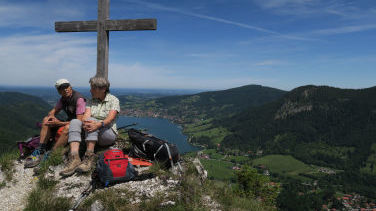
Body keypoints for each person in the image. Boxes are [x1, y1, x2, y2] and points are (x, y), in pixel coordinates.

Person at [60, 77, 120, 177]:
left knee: (93, 121)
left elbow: (110, 118)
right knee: (75, 121)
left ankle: (89, 156)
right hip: (92, 129)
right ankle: (74, 157)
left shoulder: (113, 100)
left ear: (103, 89)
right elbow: (85, 116)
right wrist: (86, 122)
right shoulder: (90, 101)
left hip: (107, 133)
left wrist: (98, 124)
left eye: (93, 88)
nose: (90, 90)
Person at [25, 79, 86, 168]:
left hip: (79, 125)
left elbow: (79, 121)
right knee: (46, 119)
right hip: (69, 121)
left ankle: (52, 154)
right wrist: (51, 117)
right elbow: (53, 111)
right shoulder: (63, 99)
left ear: (70, 87)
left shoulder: (79, 99)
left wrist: (59, 123)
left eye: (66, 87)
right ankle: (41, 149)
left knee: (68, 128)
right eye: (62, 88)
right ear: (59, 91)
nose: (65, 89)